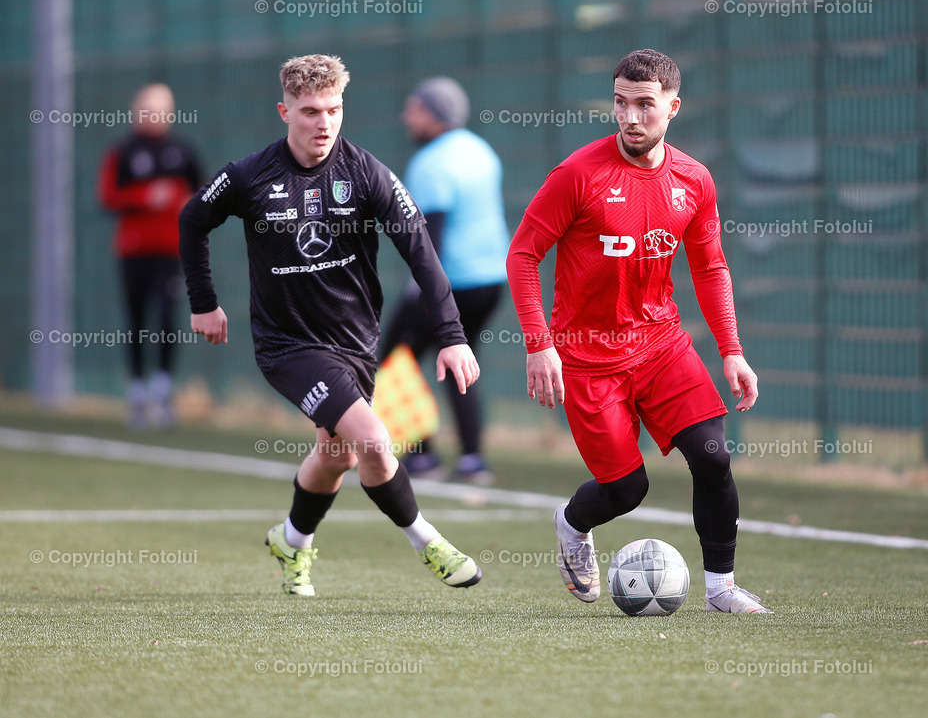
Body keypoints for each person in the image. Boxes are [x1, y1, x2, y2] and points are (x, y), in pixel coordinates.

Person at [178, 54, 482, 596]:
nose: (324, 122)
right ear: (284, 111)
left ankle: (291, 541)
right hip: (288, 346)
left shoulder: (366, 173)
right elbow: (192, 217)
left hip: (356, 344)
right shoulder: (249, 175)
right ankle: (428, 541)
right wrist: (204, 301)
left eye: (334, 109)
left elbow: (422, 254)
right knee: (373, 440)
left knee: (336, 454)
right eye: (310, 110)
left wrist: (453, 337)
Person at [506, 49, 770, 614]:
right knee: (628, 491)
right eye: (620, 103)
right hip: (587, 357)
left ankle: (721, 588)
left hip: (661, 344)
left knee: (714, 457)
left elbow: (710, 266)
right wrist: (538, 344)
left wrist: (732, 352)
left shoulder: (694, 180)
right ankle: (573, 525)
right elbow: (524, 255)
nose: (629, 117)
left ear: (673, 108)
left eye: (644, 105)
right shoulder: (579, 174)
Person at [380, 77, 509, 485]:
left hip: (450, 284)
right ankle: (473, 458)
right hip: (491, 281)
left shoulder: (431, 162)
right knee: (461, 364)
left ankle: (420, 457)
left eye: (414, 109)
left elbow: (428, 241)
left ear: (434, 114)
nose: (408, 117)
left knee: (392, 359)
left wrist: (420, 291)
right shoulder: (480, 150)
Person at [98, 83, 202, 429]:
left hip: (170, 252)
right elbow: (108, 196)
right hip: (133, 251)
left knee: (168, 317)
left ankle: (163, 389)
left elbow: (202, 194)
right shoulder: (124, 151)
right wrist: (146, 197)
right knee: (136, 320)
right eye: (147, 108)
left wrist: (185, 203)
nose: (153, 115)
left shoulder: (181, 151)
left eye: (160, 109)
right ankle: (137, 393)